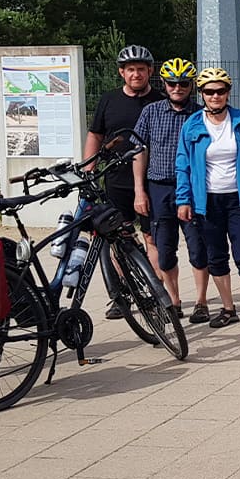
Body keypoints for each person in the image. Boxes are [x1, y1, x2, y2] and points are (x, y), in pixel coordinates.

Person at [175, 67, 240, 330]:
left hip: (238, 199)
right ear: (202, 94)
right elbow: (182, 165)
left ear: (228, 92)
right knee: (216, 256)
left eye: (220, 91)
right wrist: (183, 199)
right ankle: (228, 308)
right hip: (207, 201)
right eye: (209, 91)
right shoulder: (192, 125)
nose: (215, 96)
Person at [85, 45, 163, 319]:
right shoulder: (109, 100)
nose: (136, 74)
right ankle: (122, 296)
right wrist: (88, 167)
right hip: (116, 179)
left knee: (152, 237)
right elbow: (95, 134)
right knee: (119, 237)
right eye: (131, 69)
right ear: (122, 72)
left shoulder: (160, 100)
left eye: (142, 69)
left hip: (152, 179)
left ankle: (156, 293)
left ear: (150, 72)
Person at [132, 59, 210, 321]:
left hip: (192, 187)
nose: (177, 88)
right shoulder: (151, 112)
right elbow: (139, 152)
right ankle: (174, 301)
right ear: (164, 85)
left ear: (192, 86)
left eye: (184, 83)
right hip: (159, 187)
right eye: (172, 83)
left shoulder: (201, 114)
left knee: (198, 246)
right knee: (164, 250)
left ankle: (201, 301)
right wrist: (138, 190)